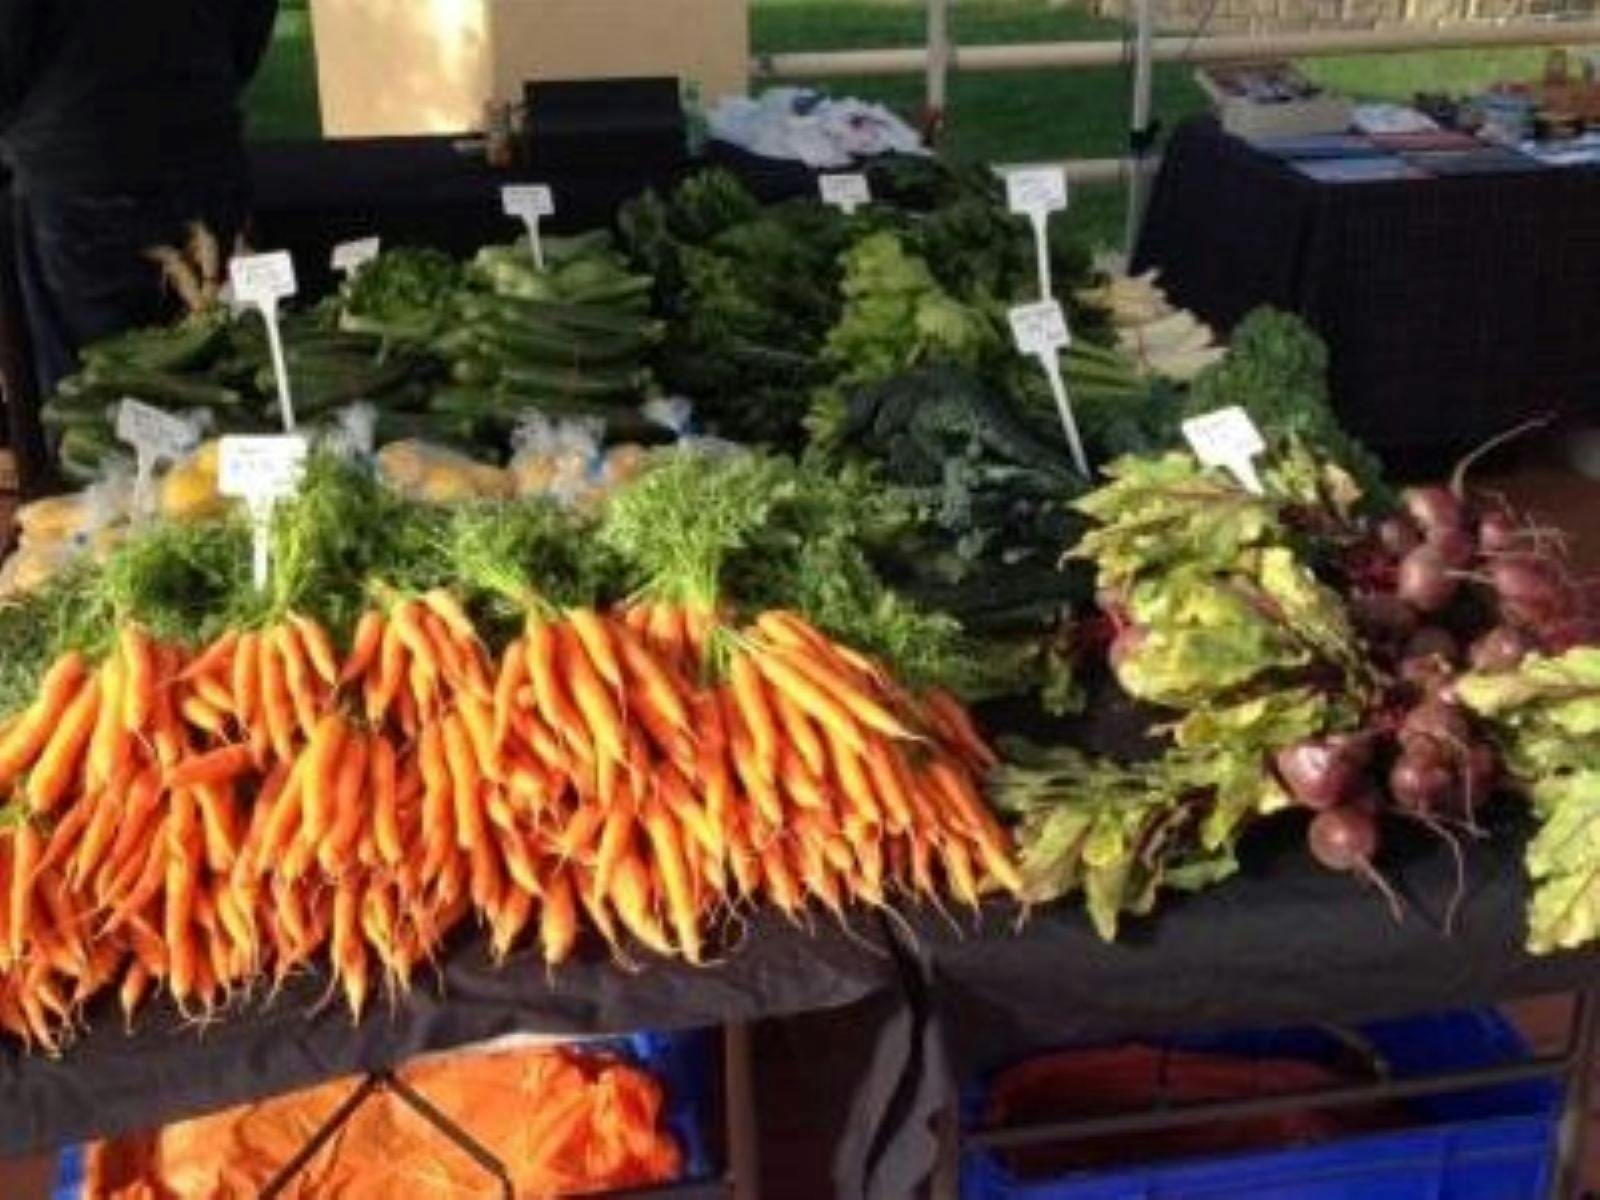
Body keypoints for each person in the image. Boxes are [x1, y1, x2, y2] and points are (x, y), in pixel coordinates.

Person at [0, 0, 279, 396]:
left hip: (82, 162)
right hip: (199, 139)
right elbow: (250, 25)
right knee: (220, 374)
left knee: (94, 404)